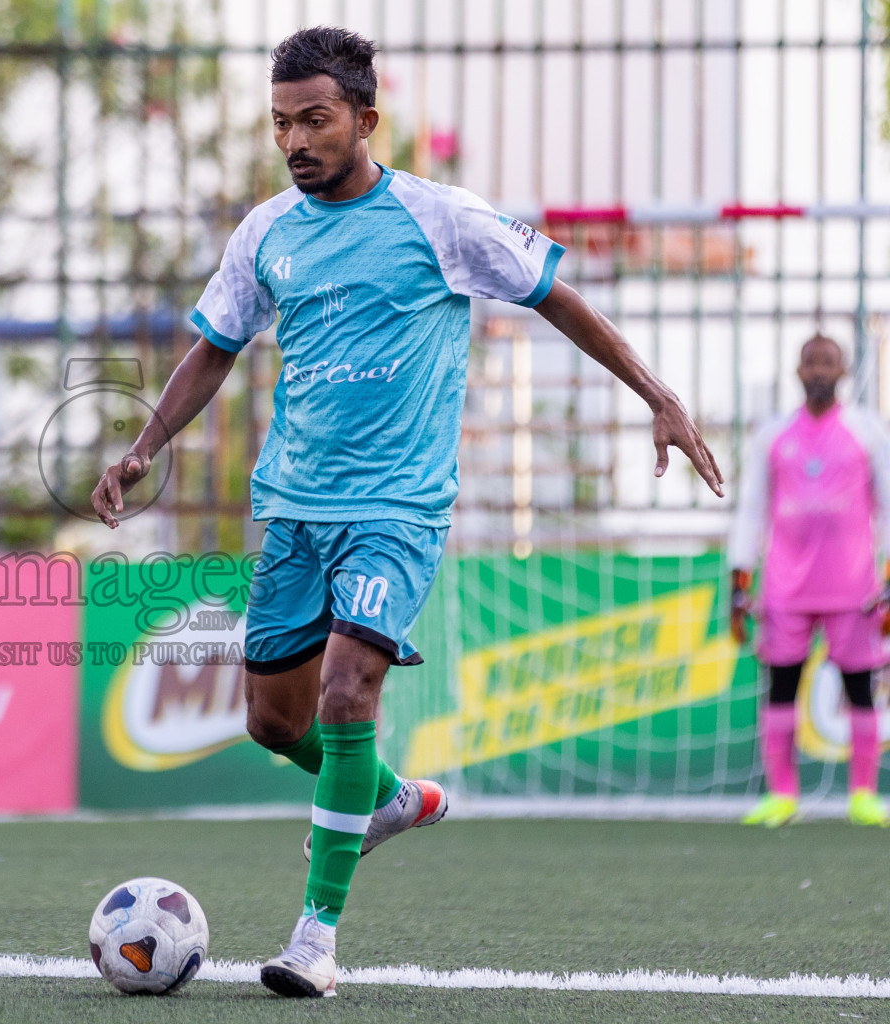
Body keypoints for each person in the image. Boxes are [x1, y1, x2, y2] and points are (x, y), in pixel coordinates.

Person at [89, 26, 723, 999]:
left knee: (349, 693)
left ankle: (314, 939)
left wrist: (657, 393)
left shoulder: (444, 219)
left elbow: (558, 295)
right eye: (281, 124)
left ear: (365, 120)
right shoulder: (266, 233)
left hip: (398, 508)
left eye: (316, 119)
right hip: (293, 507)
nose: (296, 140)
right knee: (271, 721)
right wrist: (145, 445)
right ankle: (389, 798)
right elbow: (215, 345)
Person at [729, 334, 890, 829]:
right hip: (785, 588)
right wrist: (740, 580)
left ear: (842, 372)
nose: (819, 370)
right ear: (798, 372)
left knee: (860, 689)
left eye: (828, 363)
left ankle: (863, 795)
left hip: (854, 588)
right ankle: (782, 796)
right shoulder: (771, 435)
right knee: (781, 687)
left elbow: (887, 506)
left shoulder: (867, 431)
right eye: (810, 363)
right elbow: (752, 509)